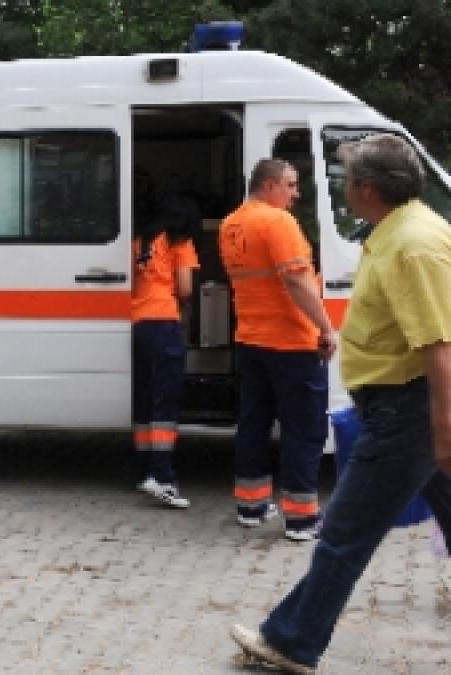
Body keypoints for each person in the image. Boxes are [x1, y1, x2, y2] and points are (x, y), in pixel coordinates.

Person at [230, 133, 451, 673]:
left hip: (408, 411)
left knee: (345, 535)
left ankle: (291, 641)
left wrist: (443, 428)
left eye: (347, 178)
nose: (340, 187)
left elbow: (439, 344)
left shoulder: (413, 244)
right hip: (404, 407)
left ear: (367, 188)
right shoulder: (396, 231)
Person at [218, 159, 336, 542]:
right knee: (304, 428)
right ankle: (301, 518)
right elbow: (298, 281)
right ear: (269, 185)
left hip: (252, 340)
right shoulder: (277, 222)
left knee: (254, 423)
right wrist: (326, 327)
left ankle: (250, 506)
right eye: (290, 184)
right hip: (291, 342)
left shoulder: (231, 224)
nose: (295, 193)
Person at [131, 193, 201, 508]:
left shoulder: (142, 241)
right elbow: (185, 288)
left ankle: (144, 468)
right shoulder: (180, 242)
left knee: (145, 399)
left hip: (139, 322)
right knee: (165, 400)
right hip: (164, 322)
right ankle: (161, 476)